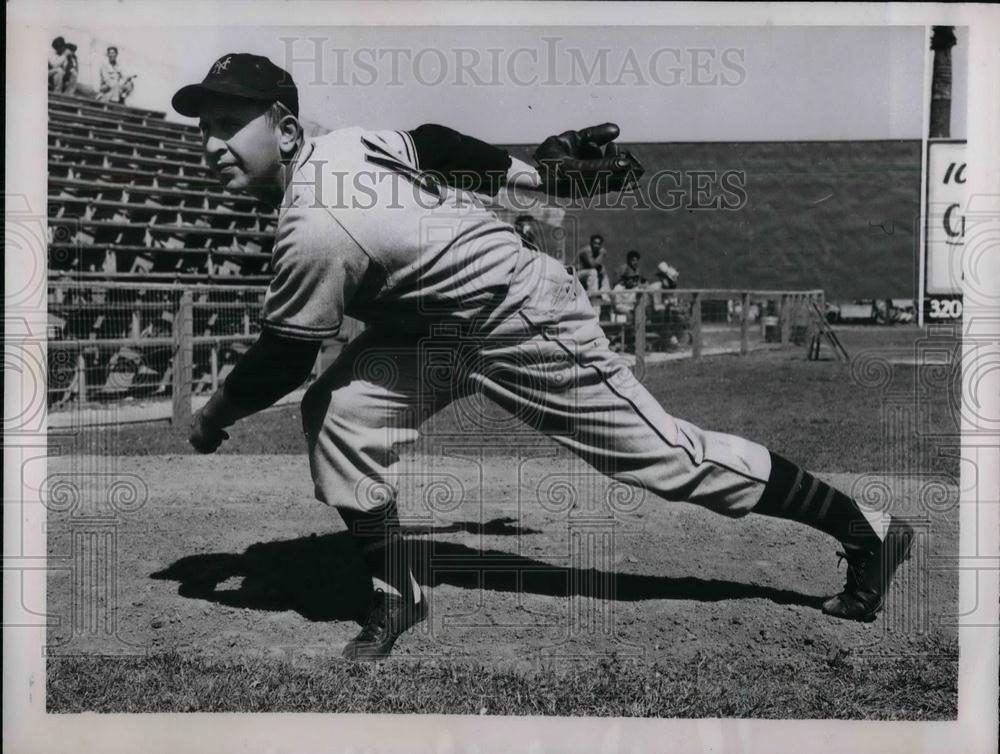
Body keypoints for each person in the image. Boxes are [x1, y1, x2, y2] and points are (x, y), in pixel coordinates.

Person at [175, 53, 915, 662]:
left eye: (229, 125)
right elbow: (428, 142)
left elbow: (281, 357)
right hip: (436, 330)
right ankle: (398, 590)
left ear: (287, 127)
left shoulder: (314, 222)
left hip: (518, 313)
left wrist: (211, 416)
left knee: (664, 457)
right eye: (204, 127)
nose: (212, 143)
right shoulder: (338, 147)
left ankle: (866, 530)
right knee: (341, 415)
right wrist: (531, 176)